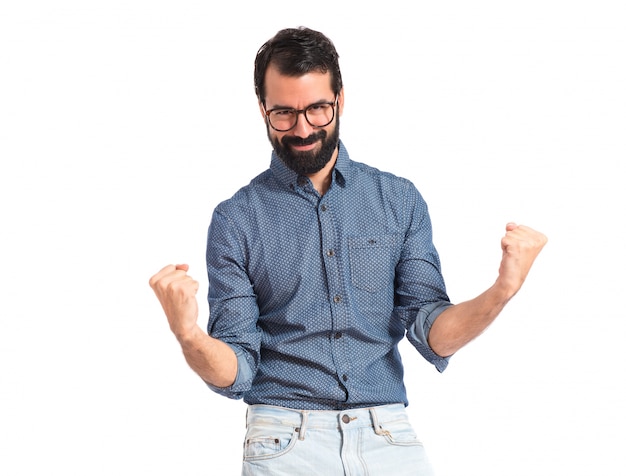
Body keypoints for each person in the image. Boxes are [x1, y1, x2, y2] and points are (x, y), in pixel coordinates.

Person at [149, 26, 547, 475]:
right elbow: (236, 370)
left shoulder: (398, 200)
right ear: (262, 109)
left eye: (317, 109)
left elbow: (434, 333)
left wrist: (502, 289)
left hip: (388, 433)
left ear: (340, 99)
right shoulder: (235, 220)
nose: (302, 129)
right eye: (283, 113)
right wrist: (189, 334)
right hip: (284, 439)